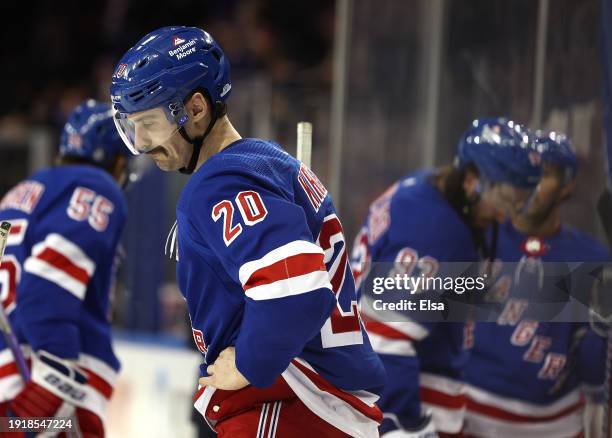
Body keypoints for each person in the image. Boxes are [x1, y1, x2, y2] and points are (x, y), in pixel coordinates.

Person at [110, 26, 386, 437]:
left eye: (148, 123)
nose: (142, 142)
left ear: (197, 109)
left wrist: (247, 363)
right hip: (316, 405)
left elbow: (298, 289)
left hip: (292, 404)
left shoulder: (219, 183)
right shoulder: (269, 162)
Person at [350, 118, 541, 437]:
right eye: (504, 200)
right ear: (471, 180)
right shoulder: (437, 231)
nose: (503, 216)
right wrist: (404, 425)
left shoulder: (425, 185)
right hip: (411, 398)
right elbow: (385, 338)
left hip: (407, 384)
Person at [463, 131, 610, 437]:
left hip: (553, 425)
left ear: (568, 186)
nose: (530, 184)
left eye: (544, 175)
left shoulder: (592, 258)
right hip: (467, 416)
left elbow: (594, 370)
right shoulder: (476, 234)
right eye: (523, 173)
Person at [0, 100, 131, 437]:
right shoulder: (96, 188)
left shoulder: (18, 194)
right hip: (45, 389)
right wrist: (53, 380)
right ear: (118, 161)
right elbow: (48, 282)